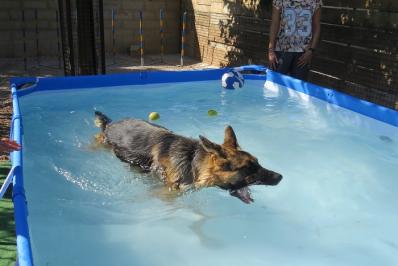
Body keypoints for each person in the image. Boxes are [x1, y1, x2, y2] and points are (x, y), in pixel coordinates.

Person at [268, 0, 322, 81]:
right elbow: (275, 23)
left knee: (298, 89)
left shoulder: (316, 1)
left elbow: (316, 26)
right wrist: (271, 50)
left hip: (303, 54)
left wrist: (311, 50)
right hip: (282, 50)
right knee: (275, 85)